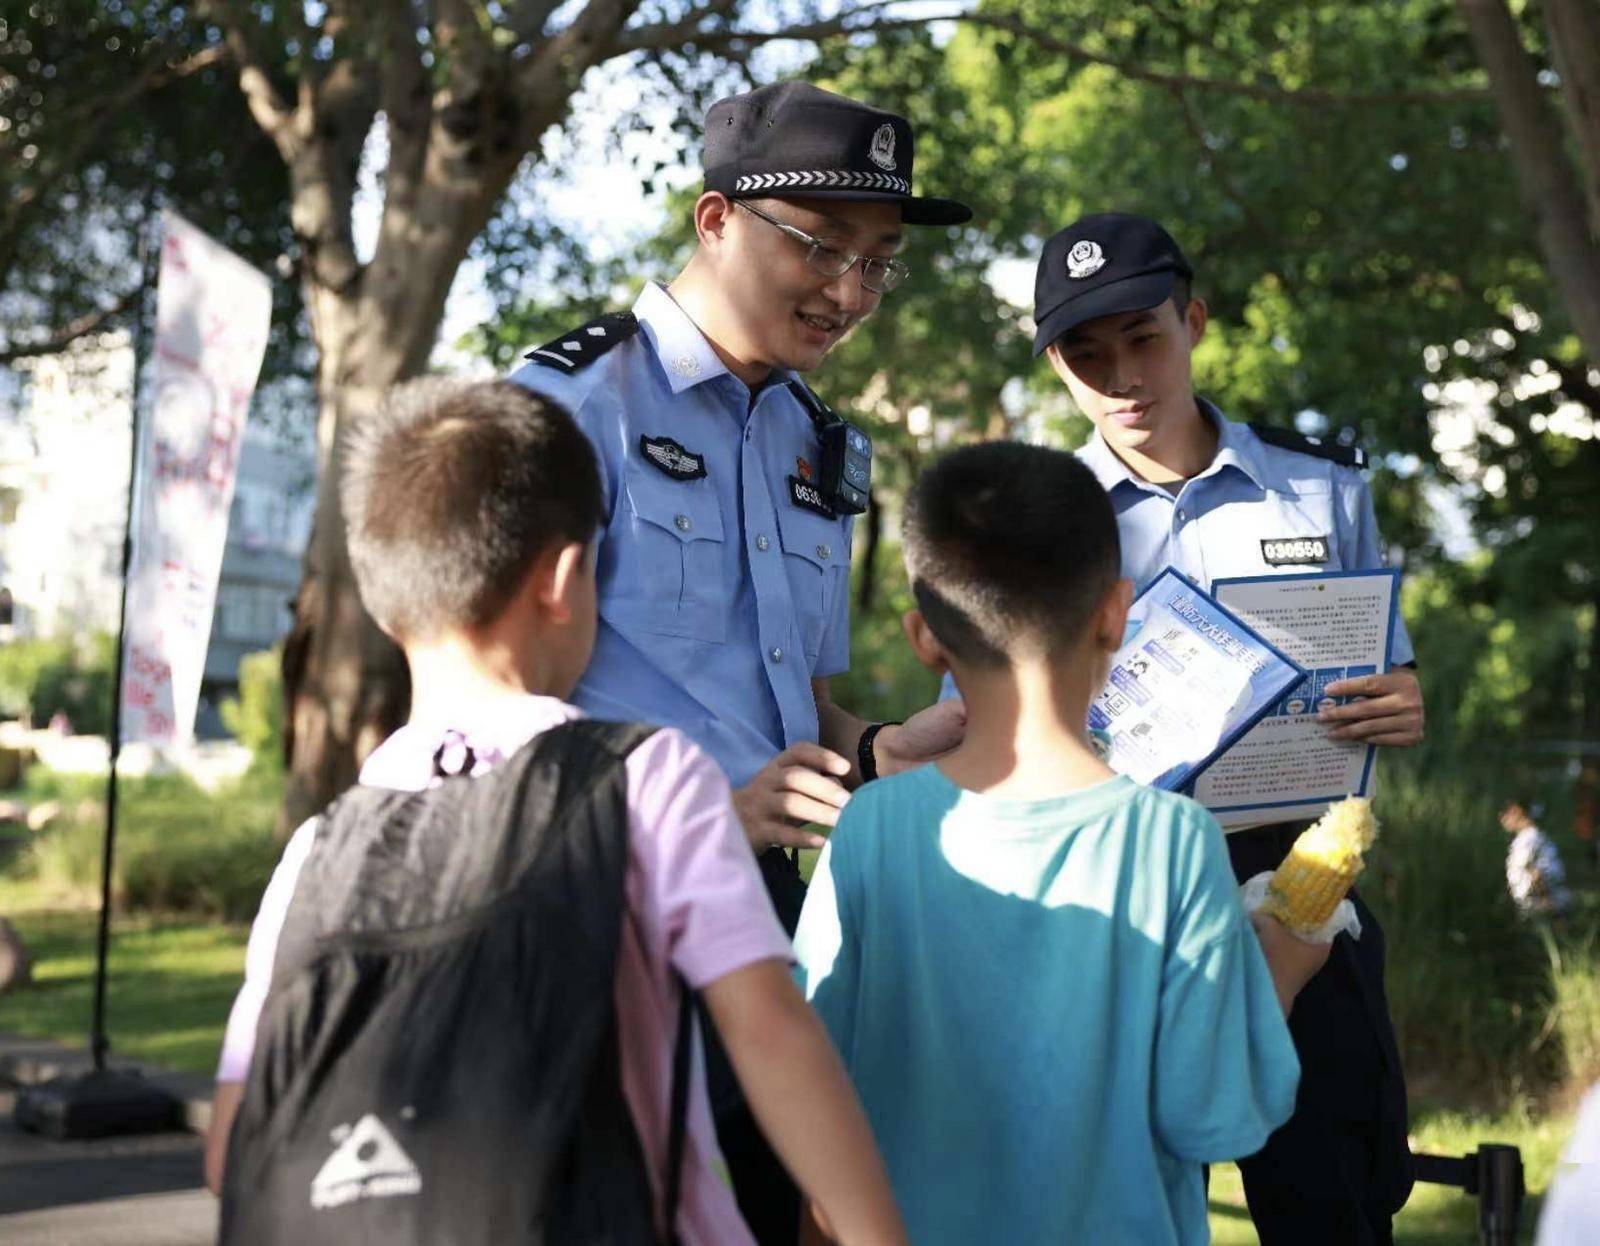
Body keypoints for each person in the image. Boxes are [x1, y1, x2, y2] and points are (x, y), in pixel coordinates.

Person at [203, 379, 908, 1246]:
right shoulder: (646, 778)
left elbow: (233, 1145)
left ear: (386, 601)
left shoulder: (319, 847)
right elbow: (769, 1034)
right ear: (570, 579)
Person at [508, 80, 970, 1241]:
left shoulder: (817, 440)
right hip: (596, 913)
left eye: (878, 262)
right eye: (823, 248)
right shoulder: (566, 404)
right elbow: (483, 718)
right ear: (716, 220)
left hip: (763, 914)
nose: (851, 291)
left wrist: (878, 749)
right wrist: (707, 808)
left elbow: (797, 709)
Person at [793, 442, 1317, 1245]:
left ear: (924, 638)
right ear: (1116, 613)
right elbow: (1214, 1114)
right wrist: (1284, 959)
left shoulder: (869, 830)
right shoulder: (1173, 843)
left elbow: (814, 1096)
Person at [1029, 211, 1426, 1244]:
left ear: (1193, 321)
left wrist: (1400, 696)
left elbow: (1381, 664)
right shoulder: (1033, 514)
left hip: (1296, 880)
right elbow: (981, 719)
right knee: (1104, 1207)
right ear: (1056, 366)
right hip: (1104, 896)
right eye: (1086, 352)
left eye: (1143, 337)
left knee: (1331, 1198)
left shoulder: (1321, 485)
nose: (1120, 375)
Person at [1502, 799, 1572, 919]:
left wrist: (1546, 902)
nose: (1503, 820)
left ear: (1516, 811)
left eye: (1505, 815)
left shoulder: (1528, 838)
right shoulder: (1534, 836)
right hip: (1542, 903)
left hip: (1539, 906)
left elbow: (1536, 874)